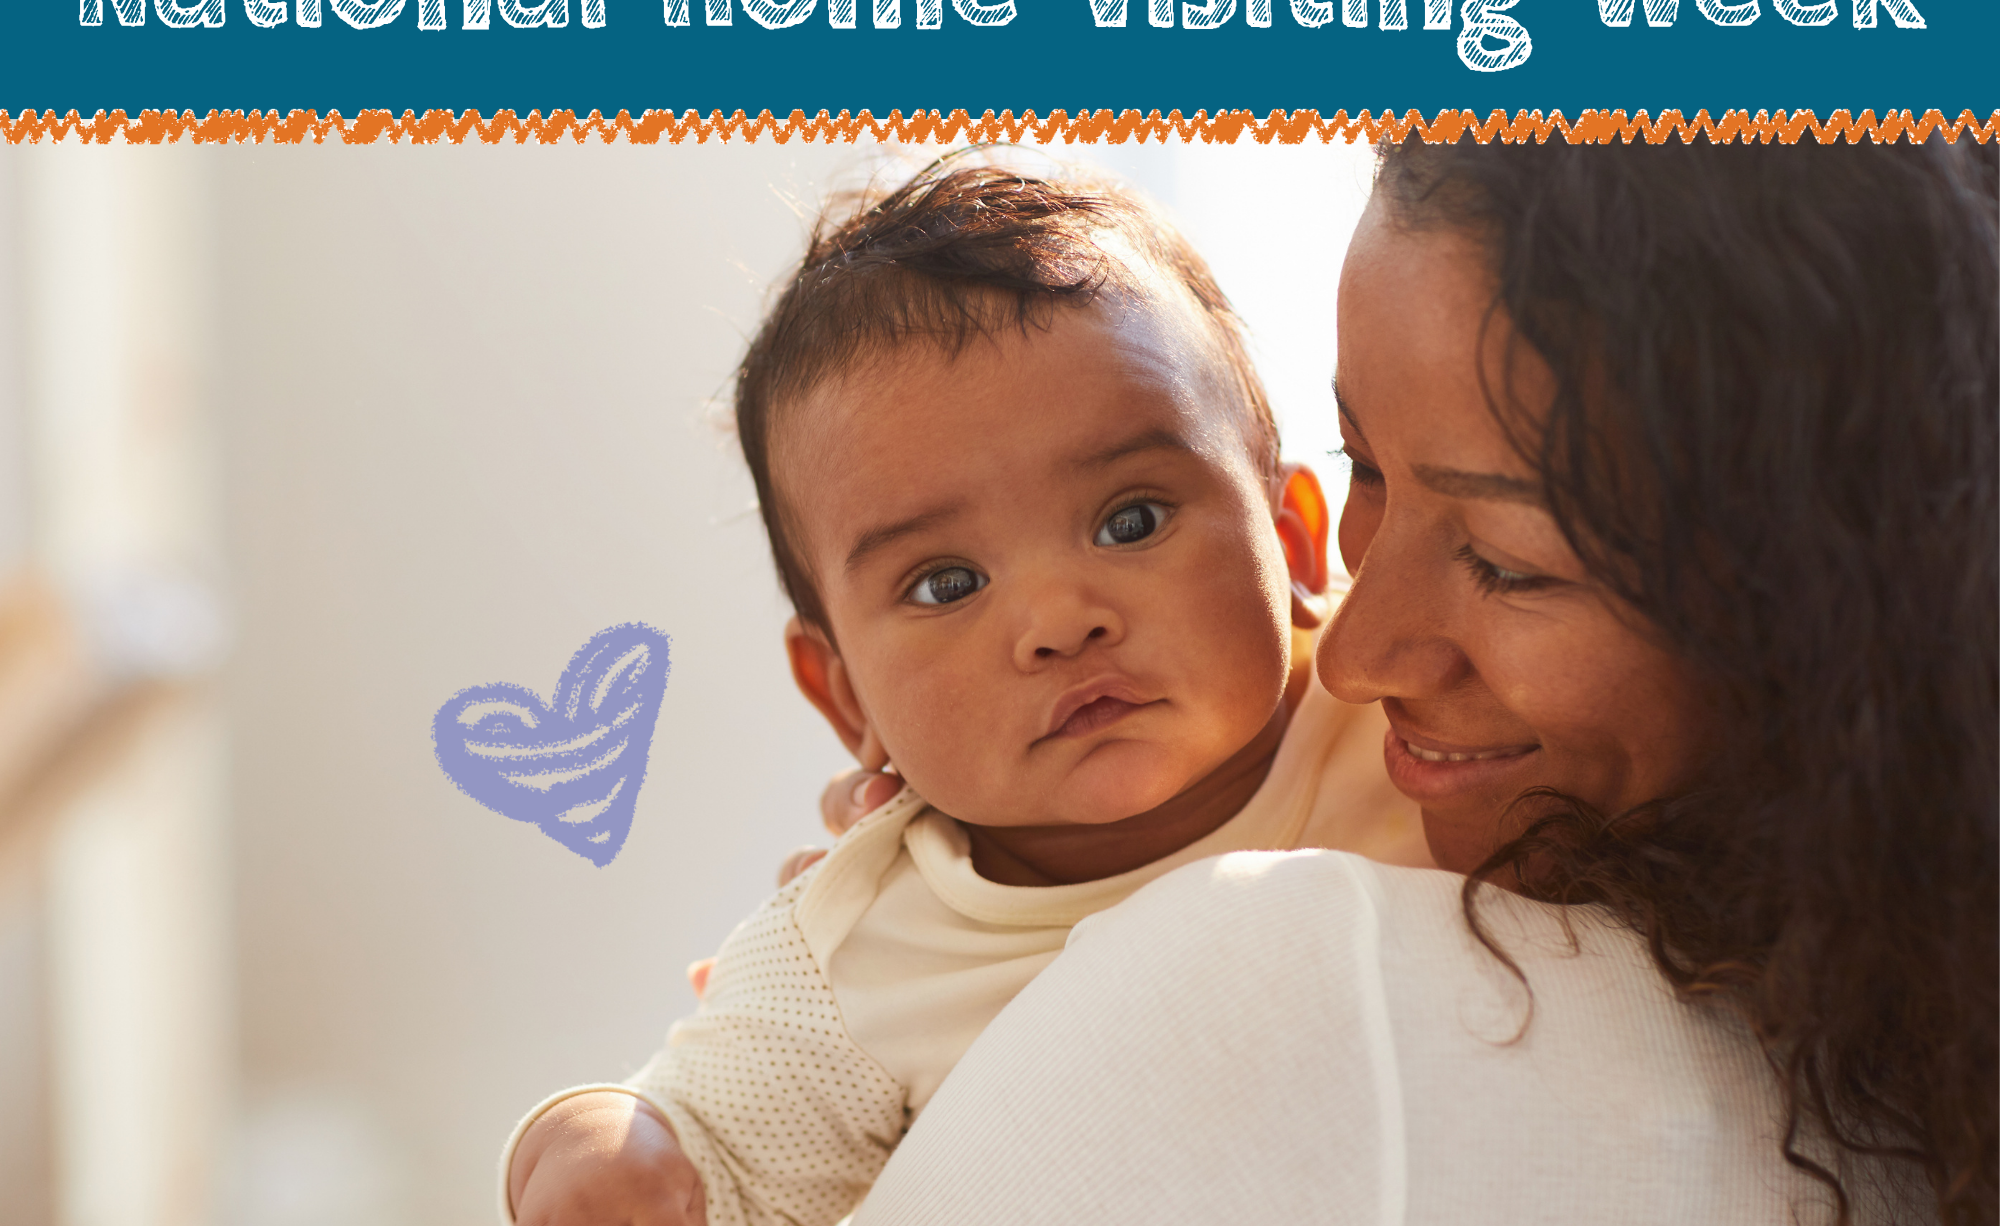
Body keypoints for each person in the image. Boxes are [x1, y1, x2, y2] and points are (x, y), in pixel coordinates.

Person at [838, 140, 1997, 1226]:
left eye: (1507, 560)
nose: (1350, 653)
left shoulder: (1283, 972)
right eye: (1367, 467)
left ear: (1849, 610)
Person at [501, 164, 1428, 1226]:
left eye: (1129, 519)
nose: (1056, 620)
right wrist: (583, 1148)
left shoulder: (1408, 713)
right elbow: (696, 1135)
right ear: (845, 698)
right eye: (946, 583)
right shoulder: (862, 940)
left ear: (1293, 537)